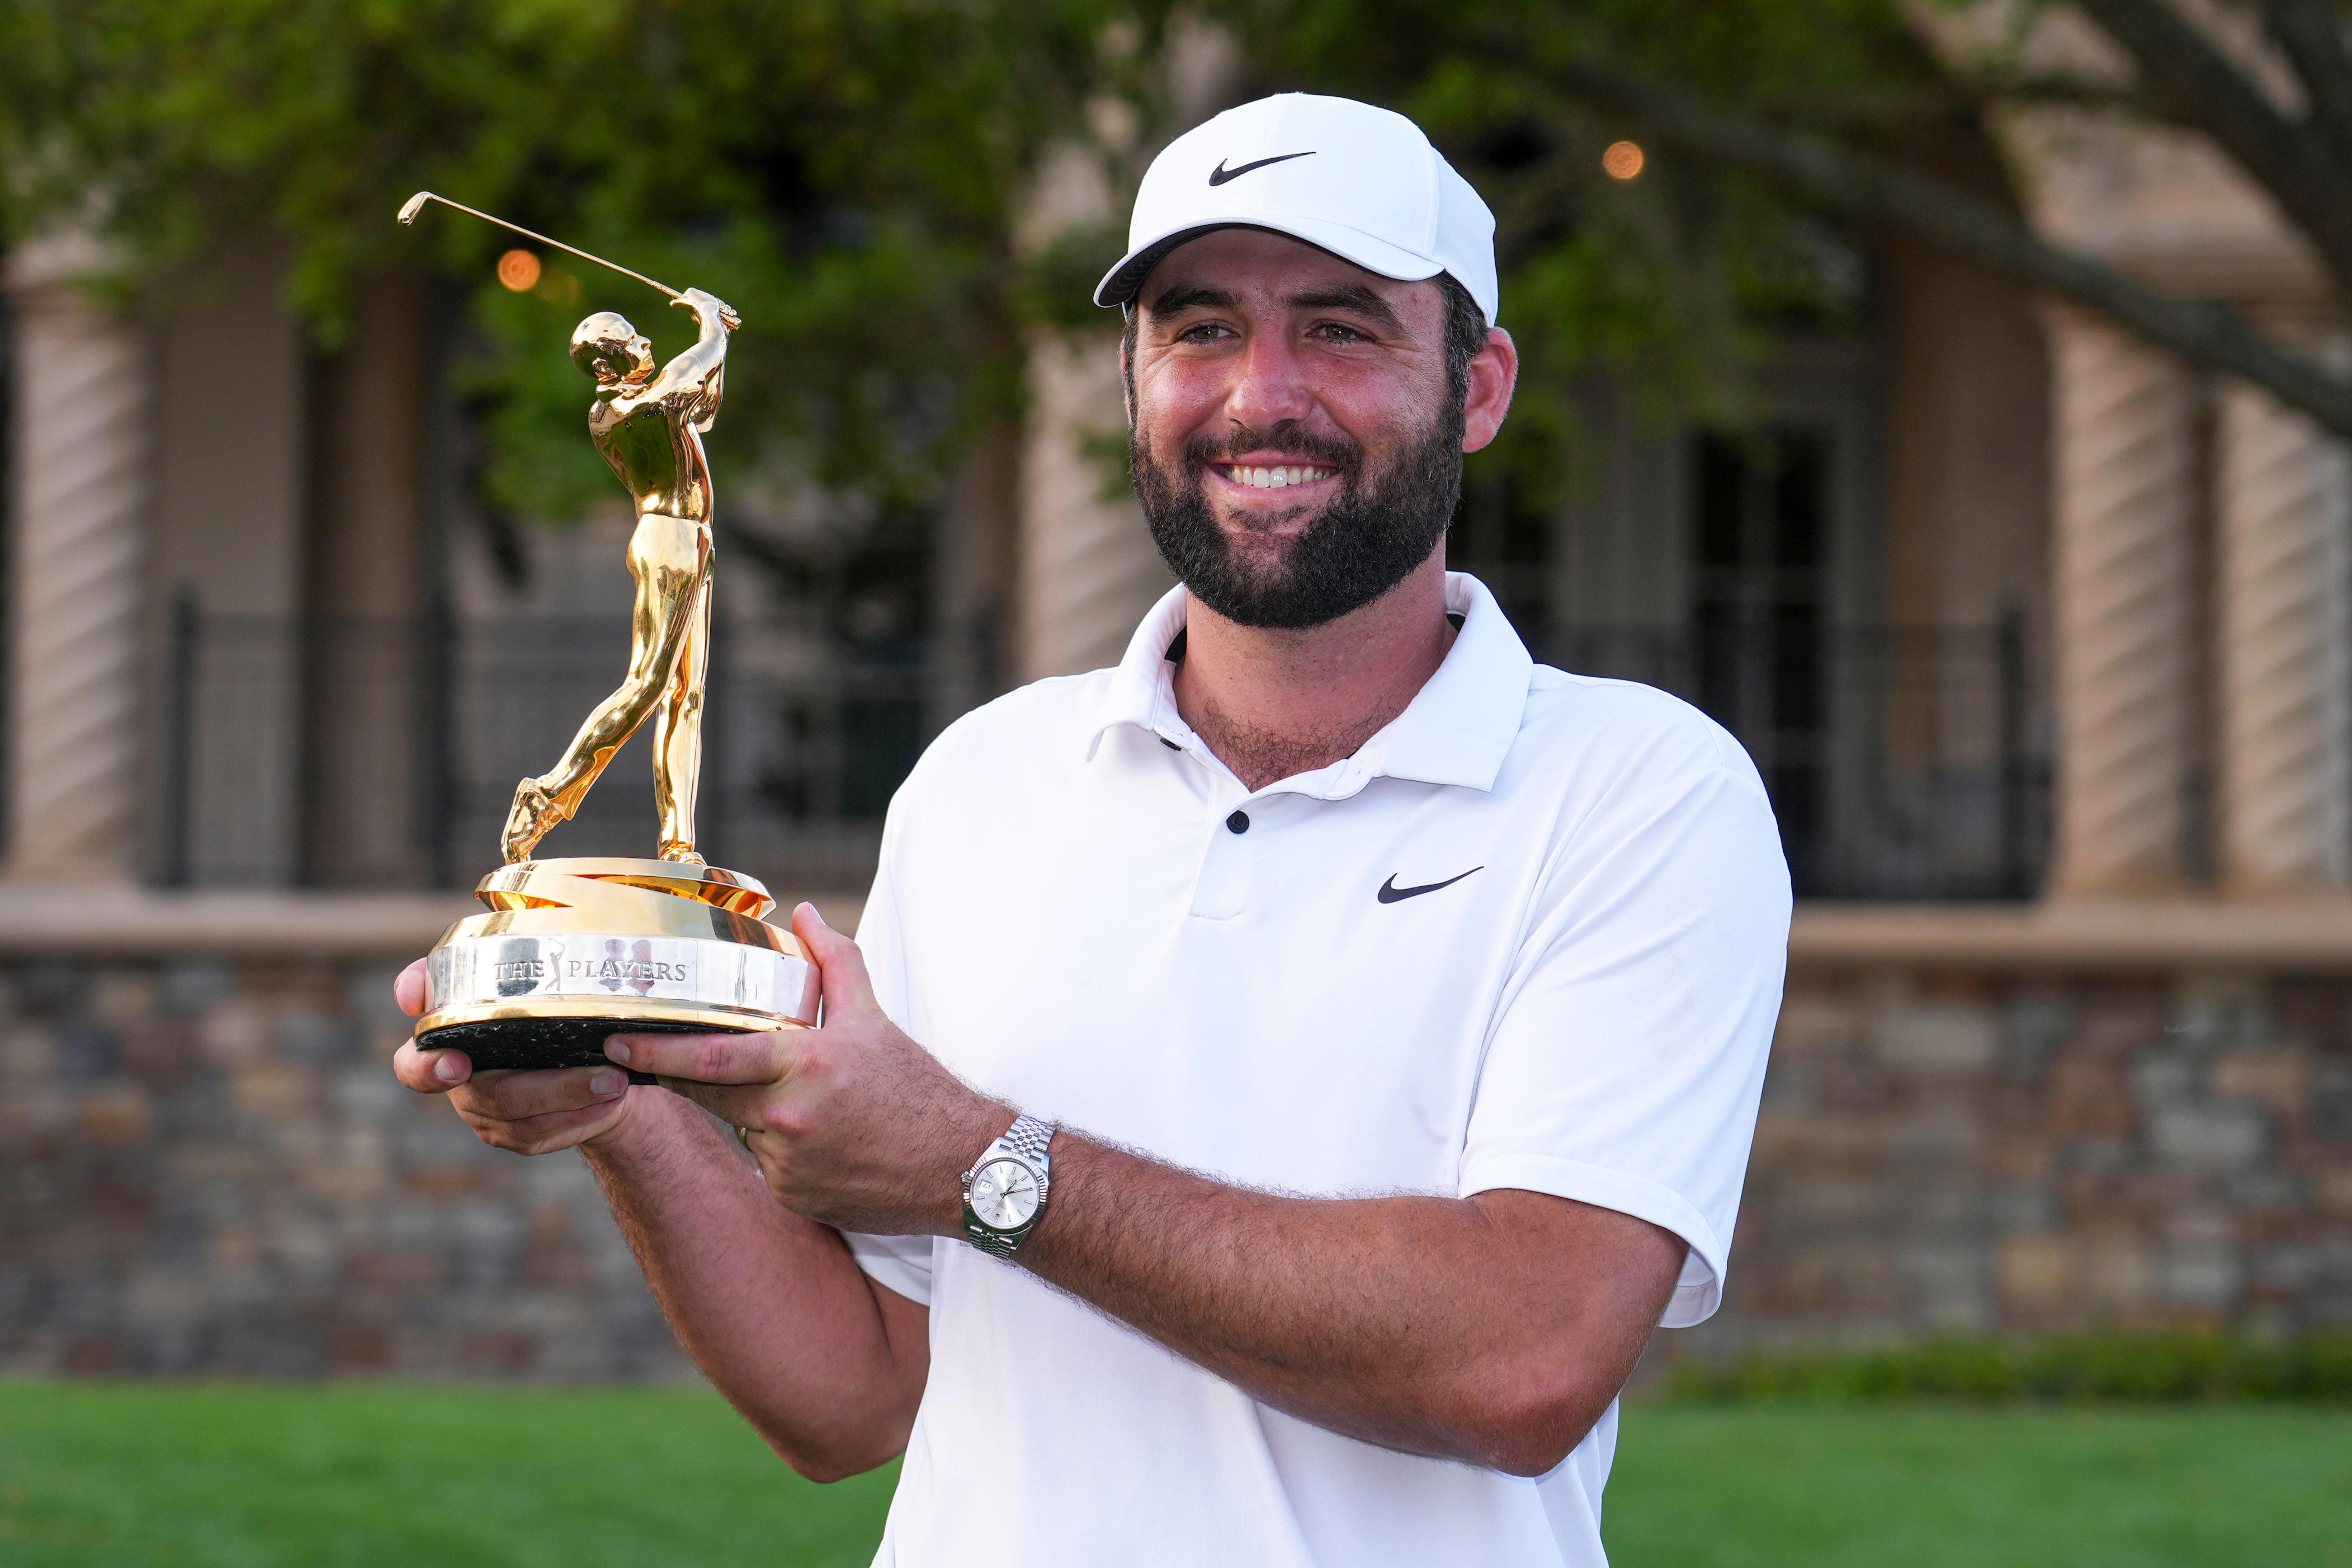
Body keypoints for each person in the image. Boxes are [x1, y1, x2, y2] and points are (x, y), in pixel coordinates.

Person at [393, 93, 1789, 1567]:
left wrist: (973, 1160)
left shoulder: (1638, 789)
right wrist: (631, 1112)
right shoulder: (982, 779)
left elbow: (1522, 1358)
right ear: (1131, 382)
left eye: (1338, 327)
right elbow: (857, 1394)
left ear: (1479, 384)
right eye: (1196, 328)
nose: (1260, 394)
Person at [500, 285, 740, 865]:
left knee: (687, 696)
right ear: (607, 364)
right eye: (631, 340)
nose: (646, 341)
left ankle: (679, 842)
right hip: (669, 542)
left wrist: (721, 342)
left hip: (696, 542)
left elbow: (703, 408)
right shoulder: (620, 413)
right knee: (649, 684)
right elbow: (687, 378)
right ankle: (547, 795)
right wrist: (709, 325)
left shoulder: (648, 399)